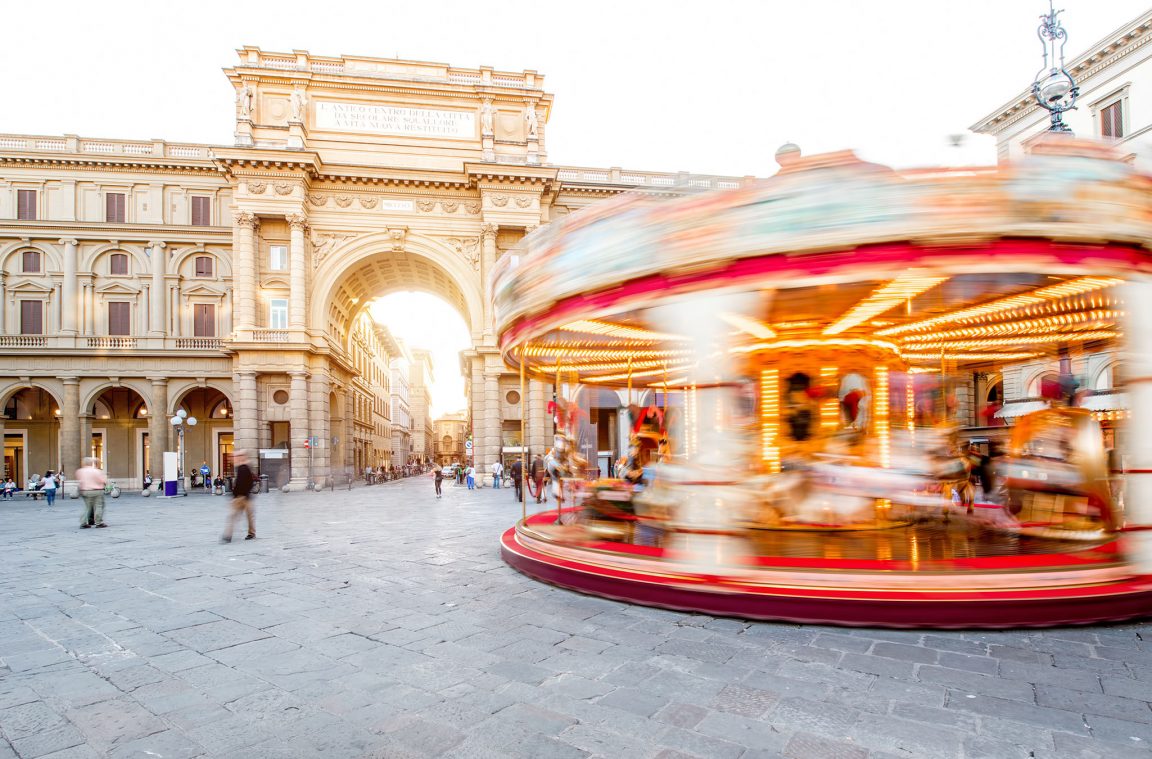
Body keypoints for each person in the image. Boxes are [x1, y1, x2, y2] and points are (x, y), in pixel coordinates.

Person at [222, 450, 255, 542]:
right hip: (244, 496)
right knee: (243, 516)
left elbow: (243, 483)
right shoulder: (243, 467)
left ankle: (229, 535)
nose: (235, 458)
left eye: (239, 456)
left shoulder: (243, 468)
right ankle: (249, 533)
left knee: (235, 515)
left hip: (242, 497)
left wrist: (236, 495)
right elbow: (248, 482)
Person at [75, 457, 107, 528]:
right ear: (91, 463)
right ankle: (98, 522)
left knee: (87, 508)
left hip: (85, 491)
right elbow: (103, 481)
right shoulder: (96, 471)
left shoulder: (80, 471)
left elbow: (80, 481)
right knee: (99, 506)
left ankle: (83, 523)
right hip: (97, 491)